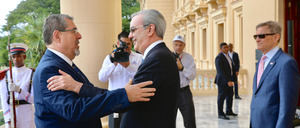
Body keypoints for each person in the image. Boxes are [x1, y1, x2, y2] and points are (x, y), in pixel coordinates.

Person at [33, 14, 156, 128]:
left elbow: (91, 93)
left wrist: (78, 87)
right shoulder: (49, 70)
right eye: (74, 31)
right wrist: (124, 95)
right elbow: (74, 110)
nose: (79, 36)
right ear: (57, 36)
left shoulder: (66, 65)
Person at [120, 9, 180, 128]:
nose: (130, 36)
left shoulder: (157, 58)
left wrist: (79, 87)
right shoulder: (159, 55)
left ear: (150, 29)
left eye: (133, 30)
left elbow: (131, 98)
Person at [250, 21, 300, 128]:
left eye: (262, 36)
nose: (257, 39)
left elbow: (287, 106)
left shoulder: (286, 63)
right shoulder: (261, 61)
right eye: (256, 36)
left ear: (276, 37)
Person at [98, 31, 143, 128]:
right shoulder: (110, 58)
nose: (126, 47)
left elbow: (141, 77)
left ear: (132, 43)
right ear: (118, 43)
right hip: (114, 101)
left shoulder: (139, 58)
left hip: (132, 101)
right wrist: (114, 63)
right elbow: (102, 78)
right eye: (123, 44)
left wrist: (128, 66)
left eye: (128, 44)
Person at [0, 43, 35, 128]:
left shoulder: (32, 74)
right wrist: (8, 118)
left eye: (19, 56)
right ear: (11, 58)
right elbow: (4, 99)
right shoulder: (6, 75)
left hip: (27, 115)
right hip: (11, 114)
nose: (16, 59)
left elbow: (33, 99)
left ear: (24, 57)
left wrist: (20, 91)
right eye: (14, 57)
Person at [172, 35, 196, 128]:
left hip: (184, 92)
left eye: (180, 45)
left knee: (189, 119)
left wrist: (182, 68)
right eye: (176, 44)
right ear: (173, 45)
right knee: (169, 119)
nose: (178, 47)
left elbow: (192, 76)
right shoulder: (167, 57)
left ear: (184, 45)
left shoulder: (189, 58)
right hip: (171, 92)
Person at [214, 42, 238, 120]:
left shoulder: (229, 56)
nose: (226, 49)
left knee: (230, 96)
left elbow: (232, 69)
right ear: (221, 49)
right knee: (221, 97)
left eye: (227, 47)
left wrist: (233, 80)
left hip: (230, 80)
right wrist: (227, 81)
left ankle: (229, 111)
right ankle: (220, 113)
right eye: (224, 48)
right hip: (222, 81)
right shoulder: (219, 57)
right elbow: (220, 71)